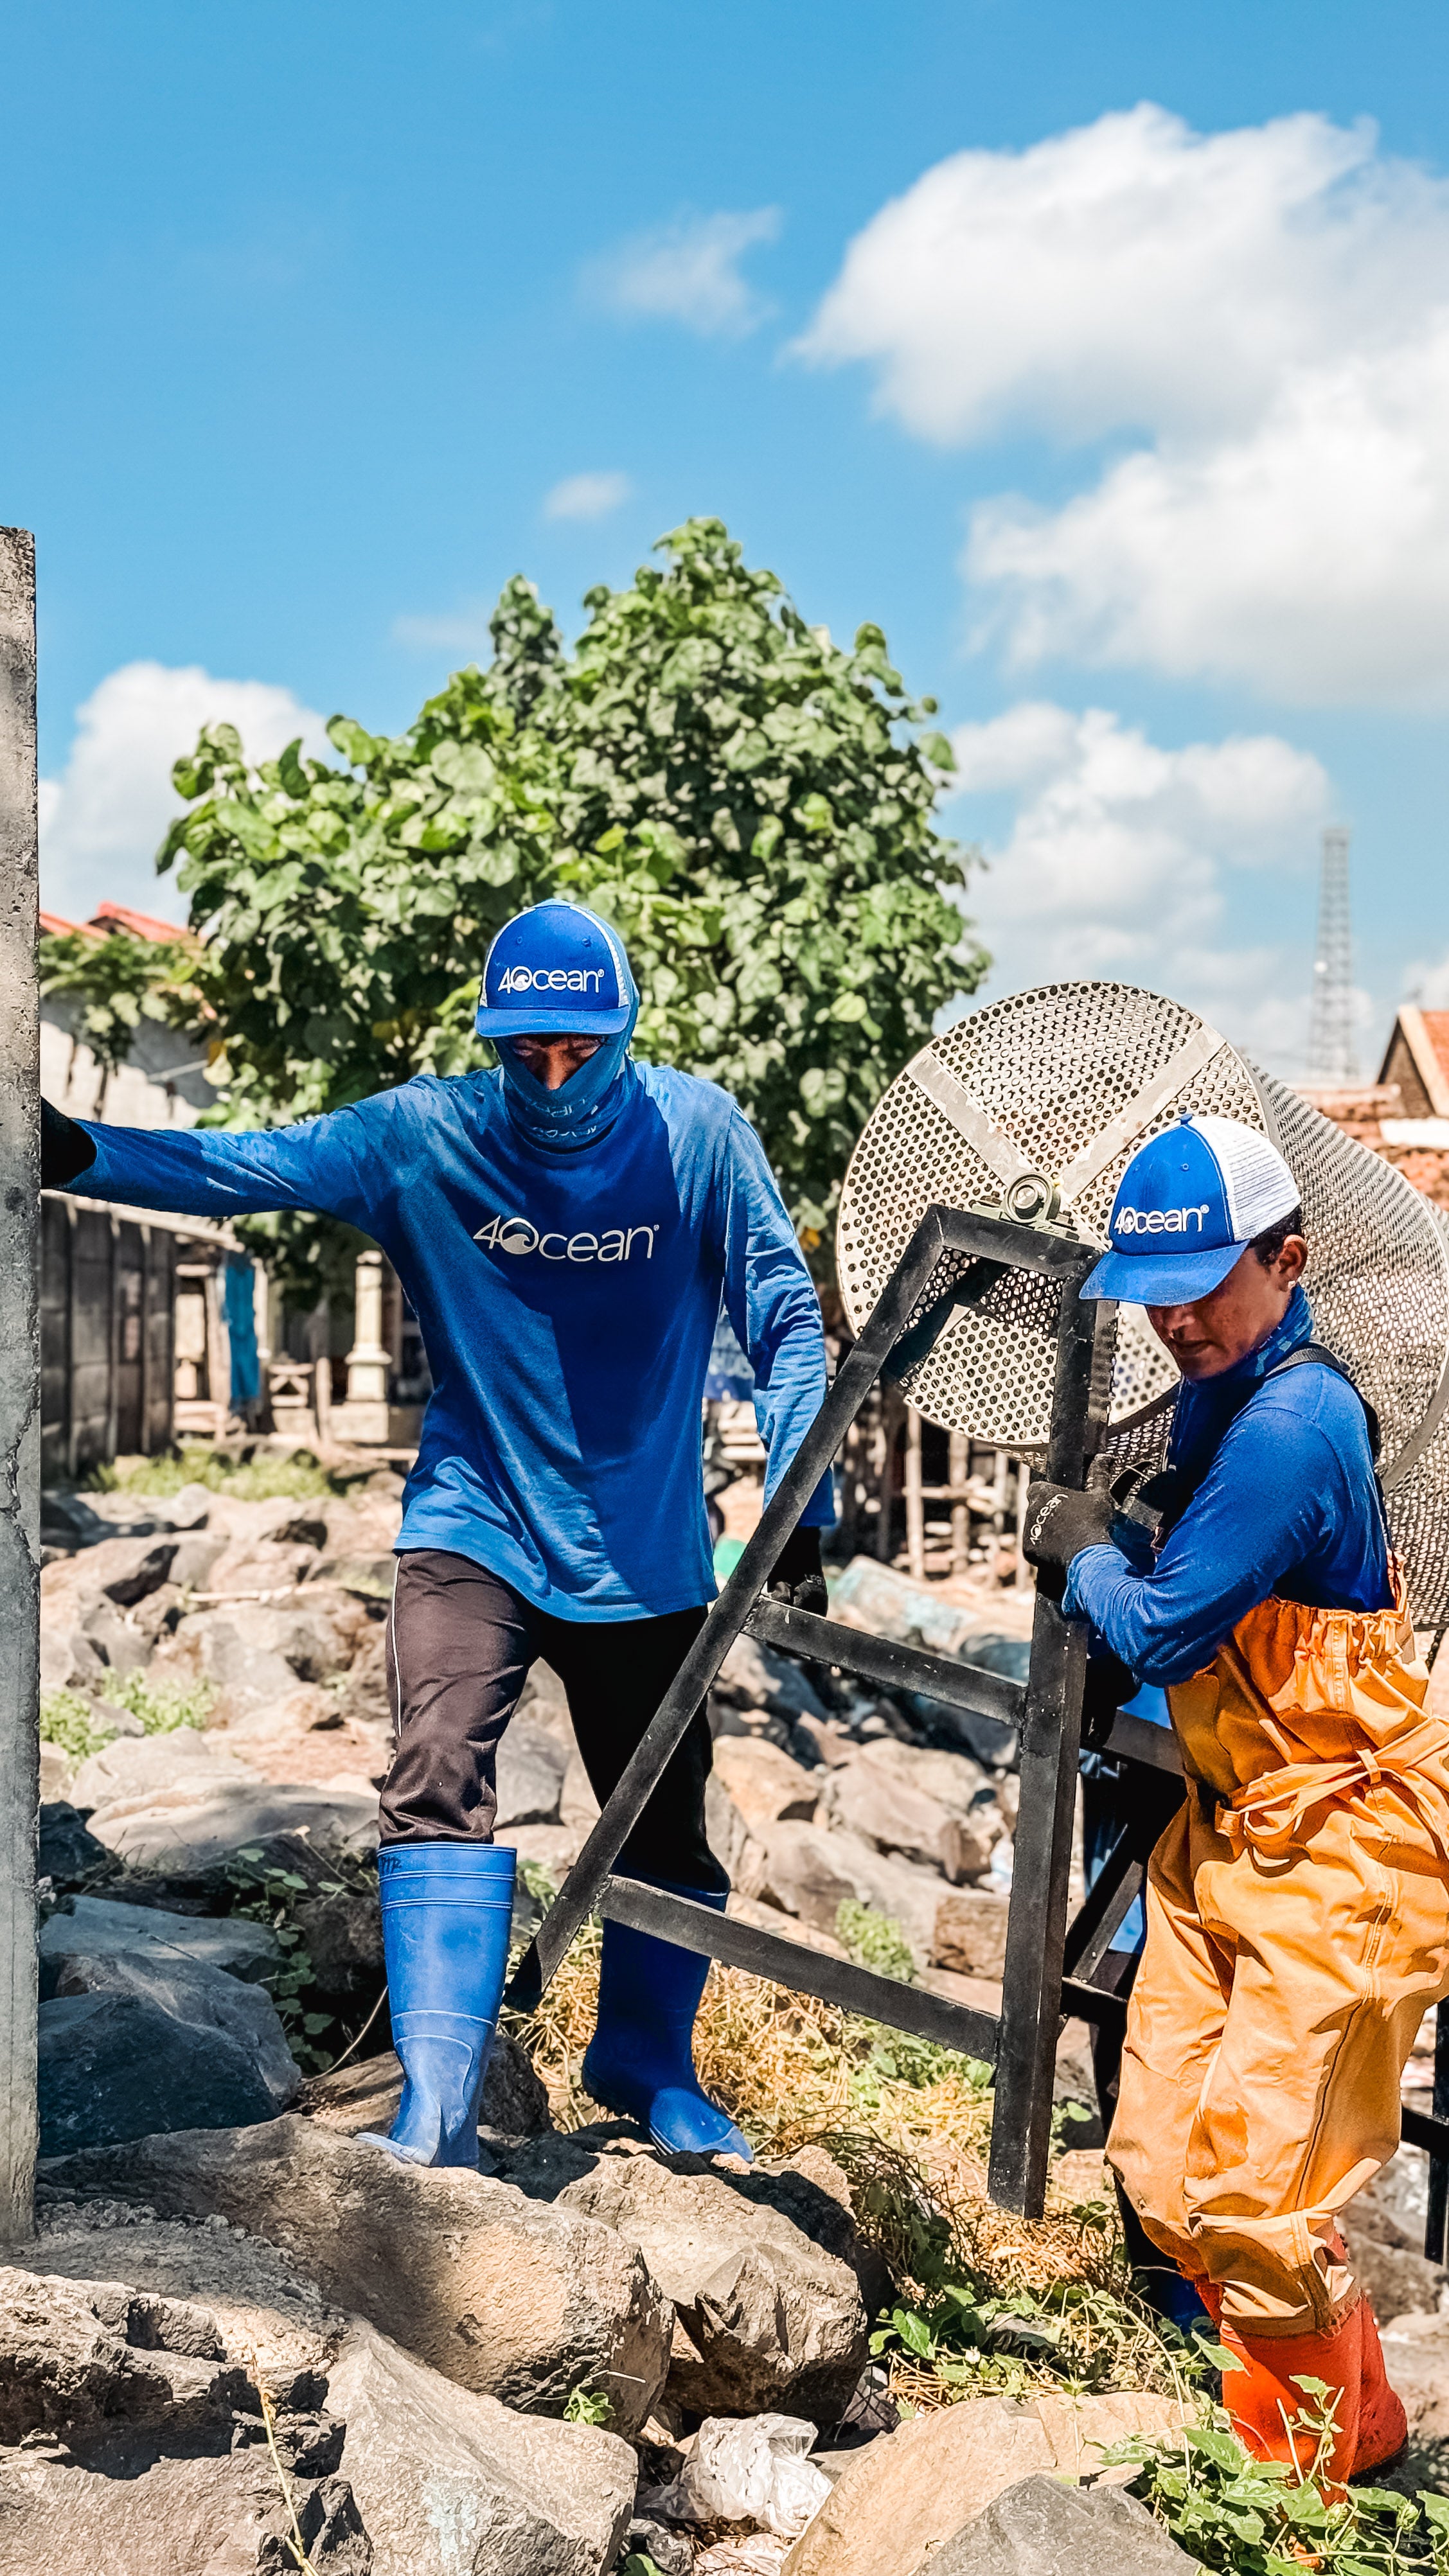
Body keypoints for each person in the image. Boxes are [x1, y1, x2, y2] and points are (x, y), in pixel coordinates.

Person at [41, 899, 833, 2171]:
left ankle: (645, 2060)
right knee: (434, 1778)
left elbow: (786, 1313)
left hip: (647, 1551)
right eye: (530, 1049)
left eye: (583, 1049)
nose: (556, 1073)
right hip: (474, 1518)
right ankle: (442, 2104)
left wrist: (802, 1445)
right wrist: (66, 1146)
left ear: (624, 1035)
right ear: (494, 1037)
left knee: (668, 1824)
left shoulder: (699, 1133)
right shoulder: (426, 1134)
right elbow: (242, 1164)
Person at [1023, 1112, 1449, 2487]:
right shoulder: (1226, 1385)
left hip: (1344, 1854)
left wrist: (1087, 1547)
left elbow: (1155, 1634)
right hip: (1236, 1826)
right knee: (1160, 2148)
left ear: (1289, 1259)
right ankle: (1314, 2417)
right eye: (1156, 1293)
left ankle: (1317, 2483)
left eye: (1205, 1285)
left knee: (1261, 2191)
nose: (1176, 1320)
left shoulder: (1294, 1423)